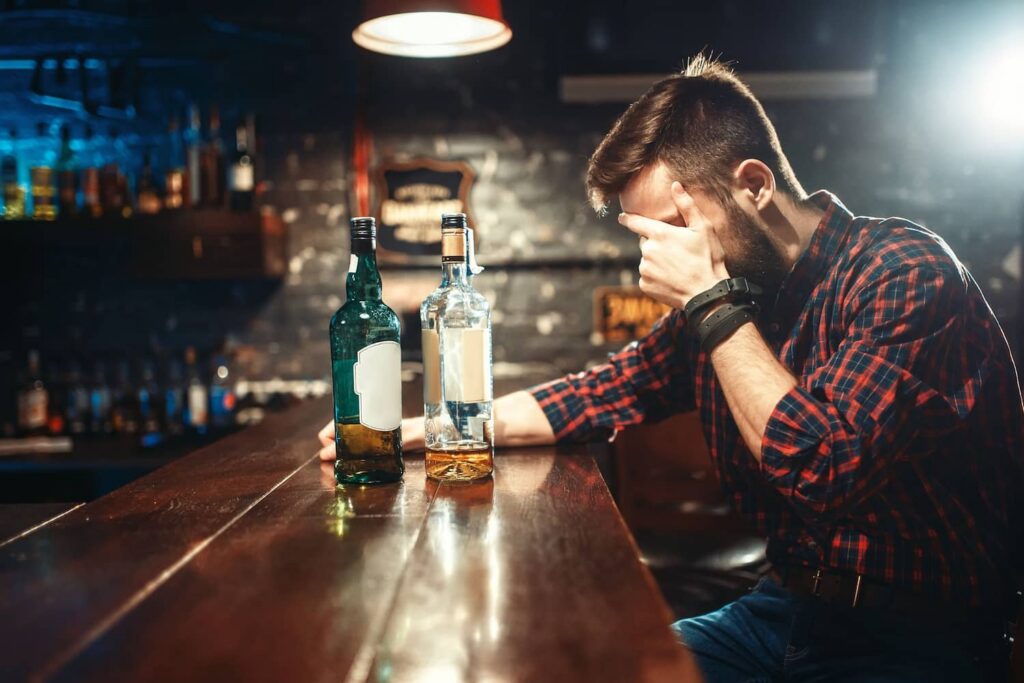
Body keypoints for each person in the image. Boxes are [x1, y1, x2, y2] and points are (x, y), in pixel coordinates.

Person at [318, 55, 1024, 681]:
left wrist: (710, 301)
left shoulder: (902, 271)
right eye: (648, 236)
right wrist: (426, 429)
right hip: (783, 609)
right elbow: (591, 395)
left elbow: (821, 465)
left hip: (922, 635)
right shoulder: (734, 295)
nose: (658, 259)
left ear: (754, 185)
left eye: (675, 228)